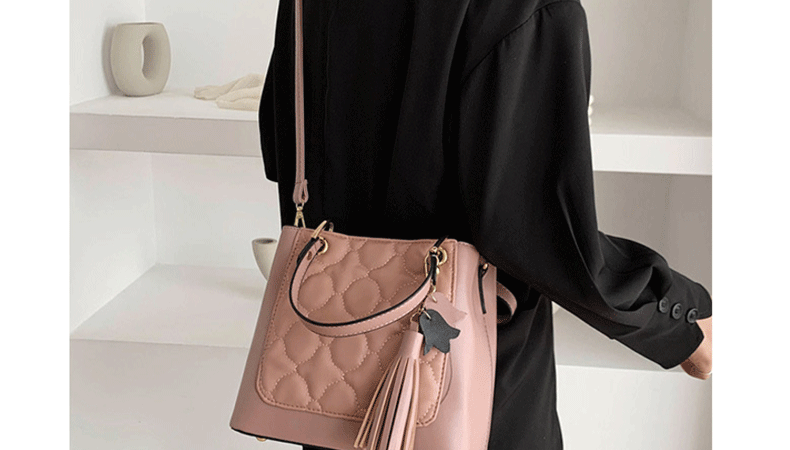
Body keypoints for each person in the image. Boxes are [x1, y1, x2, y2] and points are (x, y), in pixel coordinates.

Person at [257, 0, 713, 449]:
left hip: (331, 373)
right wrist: (677, 317)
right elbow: (536, 228)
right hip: (472, 390)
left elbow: (283, 149)